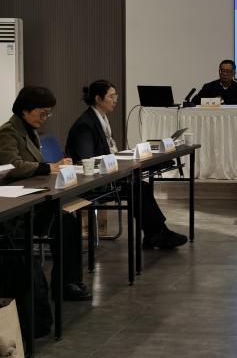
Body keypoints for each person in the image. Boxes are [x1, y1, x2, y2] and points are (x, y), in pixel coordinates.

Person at [65, 80, 187, 249]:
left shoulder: (100, 119)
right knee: (138, 188)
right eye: (111, 96)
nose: (115, 100)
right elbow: (86, 161)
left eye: (116, 96)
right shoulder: (85, 125)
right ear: (98, 99)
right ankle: (156, 234)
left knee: (141, 187)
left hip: (108, 175)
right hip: (93, 184)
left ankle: (156, 233)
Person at [0, 86, 91, 301]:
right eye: (42, 113)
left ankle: (68, 281)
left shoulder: (29, 129)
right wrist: (49, 167)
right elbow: (12, 165)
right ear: (25, 110)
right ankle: (65, 284)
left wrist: (54, 166)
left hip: (34, 197)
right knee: (63, 222)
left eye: (48, 113)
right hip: (18, 209)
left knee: (67, 221)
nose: (45, 118)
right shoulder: (8, 132)